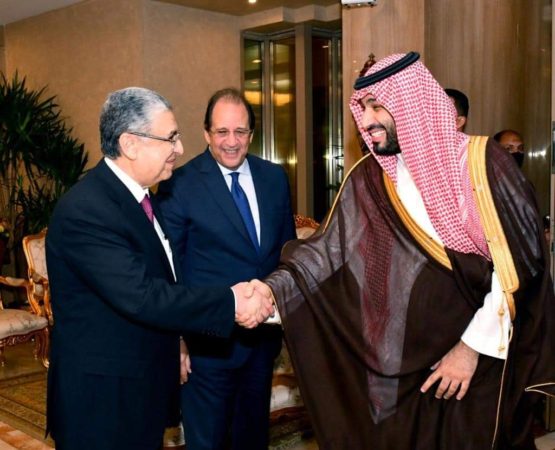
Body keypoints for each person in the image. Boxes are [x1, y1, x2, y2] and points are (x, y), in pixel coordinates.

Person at [257, 53, 555, 449]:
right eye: (362, 108)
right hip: (401, 362)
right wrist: (268, 292)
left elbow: (520, 264)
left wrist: (470, 348)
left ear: (411, 103)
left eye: (376, 106)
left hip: (477, 359)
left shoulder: (483, 163)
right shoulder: (369, 177)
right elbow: (326, 253)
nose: (366, 121)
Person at [45, 87, 274, 450]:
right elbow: (142, 295)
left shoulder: (140, 198)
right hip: (102, 404)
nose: (179, 149)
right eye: (170, 138)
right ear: (130, 144)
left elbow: (166, 277)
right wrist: (231, 302)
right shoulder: (87, 209)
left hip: (139, 390)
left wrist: (177, 341)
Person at [157, 88, 296, 450]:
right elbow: (168, 271)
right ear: (206, 133)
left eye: (240, 131)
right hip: (207, 349)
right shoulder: (178, 185)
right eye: (222, 132)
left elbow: (287, 254)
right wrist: (176, 341)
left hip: (262, 343)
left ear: (252, 134)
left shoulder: (274, 178)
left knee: (253, 440)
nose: (231, 142)